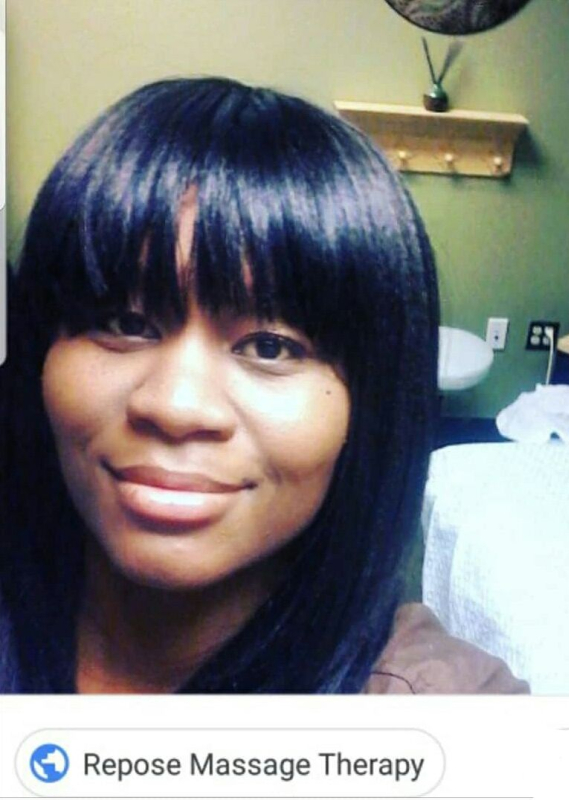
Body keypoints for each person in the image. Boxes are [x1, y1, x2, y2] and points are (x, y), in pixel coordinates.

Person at [0, 77, 527, 694]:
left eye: (269, 347)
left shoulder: (438, 707)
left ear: (370, 404)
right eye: (126, 324)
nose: (175, 406)